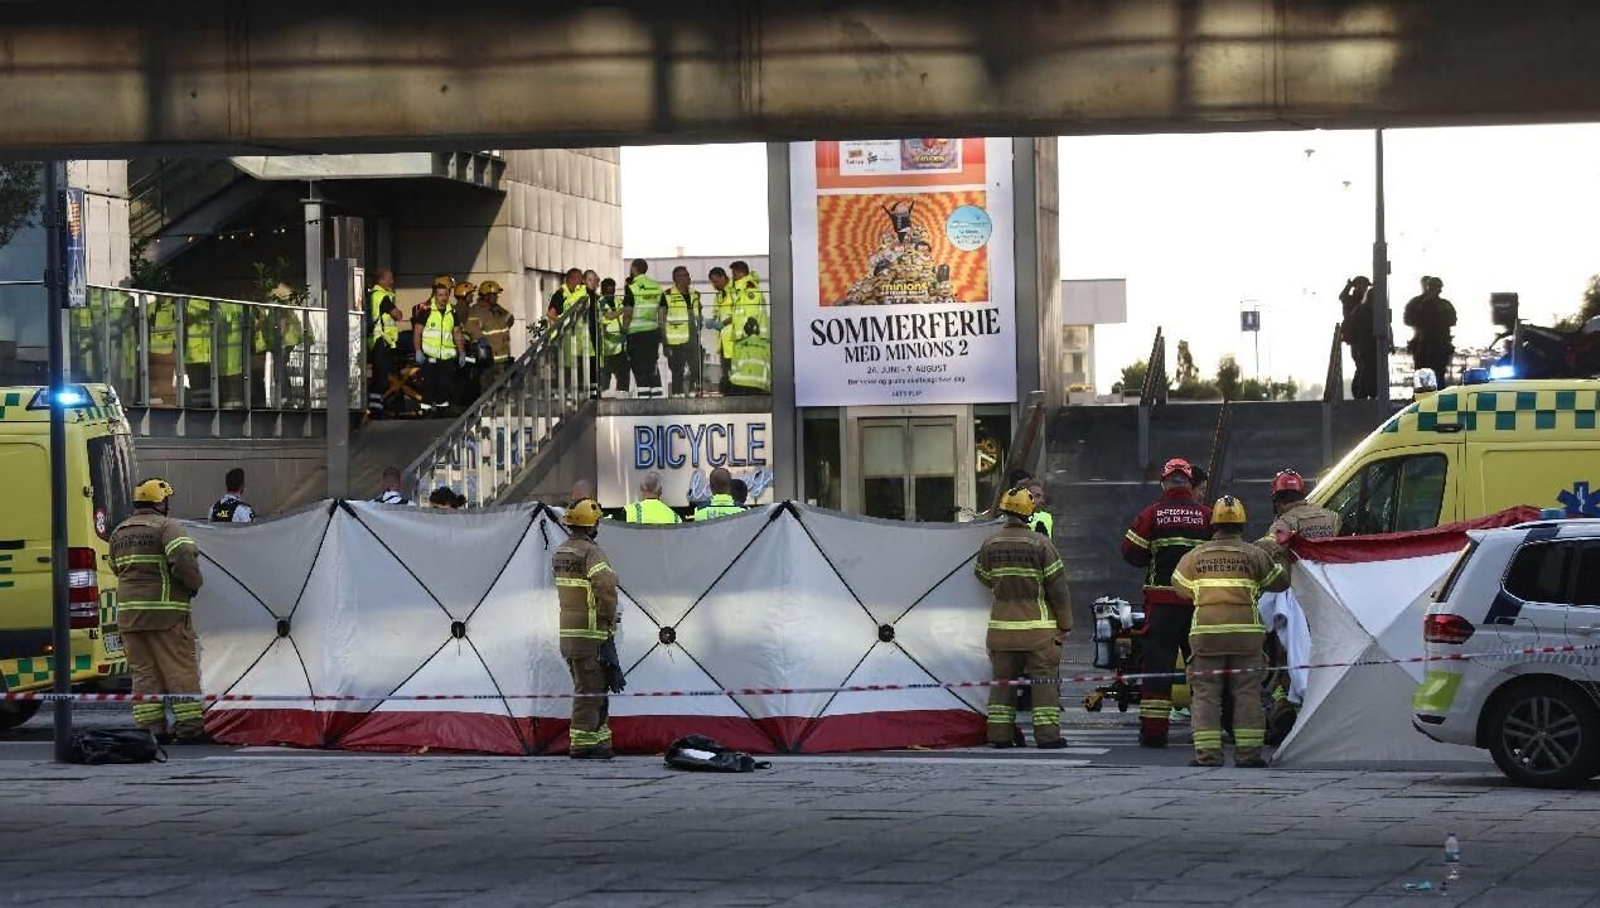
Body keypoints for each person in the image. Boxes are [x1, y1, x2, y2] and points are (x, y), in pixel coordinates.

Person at [1171, 495, 1289, 767]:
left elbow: (1180, 588)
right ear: (1242, 525)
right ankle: (1248, 755)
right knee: (1247, 692)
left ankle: (1208, 756)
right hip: (1246, 637)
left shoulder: (1193, 557)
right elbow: (1280, 583)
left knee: (1206, 695)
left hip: (1207, 635)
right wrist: (1278, 552)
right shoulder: (1255, 555)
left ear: (1213, 525)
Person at [1121, 457, 1212, 747]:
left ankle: (1154, 733)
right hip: (1197, 605)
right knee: (1202, 669)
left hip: (1160, 606)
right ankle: (1208, 730)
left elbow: (1131, 552)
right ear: (1190, 484)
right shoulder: (1206, 515)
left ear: (1164, 483)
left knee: (1158, 669)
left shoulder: (1152, 514)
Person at [110, 479, 208, 744]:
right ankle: (189, 729)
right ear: (161, 503)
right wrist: (193, 585)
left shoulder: (119, 531)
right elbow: (185, 556)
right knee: (178, 671)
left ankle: (151, 729)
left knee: (144, 675)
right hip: (167, 616)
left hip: (130, 617)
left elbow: (116, 567)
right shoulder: (167, 527)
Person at [975, 487, 1072, 749]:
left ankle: (999, 736)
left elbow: (982, 576)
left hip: (1001, 630)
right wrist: (1065, 623)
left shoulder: (990, 543)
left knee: (1002, 685)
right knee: (1044, 683)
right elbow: (1058, 588)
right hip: (1038, 631)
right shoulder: (1041, 544)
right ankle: (1048, 736)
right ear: (1029, 512)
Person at [1256, 469, 1339, 743]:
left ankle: (1286, 713)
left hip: (1297, 598)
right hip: (1328, 598)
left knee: (1288, 657)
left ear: (1278, 500)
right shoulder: (1331, 517)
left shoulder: (1283, 522)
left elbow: (1266, 551)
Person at [553, 498, 620, 759]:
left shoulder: (562, 552)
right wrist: (609, 617)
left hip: (569, 634)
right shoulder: (591, 552)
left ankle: (600, 741)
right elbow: (605, 587)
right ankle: (582, 744)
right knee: (589, 689)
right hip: (590, 633)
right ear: (593, 524)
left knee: (593, 686)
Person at [413, 275, 464, 416]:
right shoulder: (426, 311)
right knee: (428, 386)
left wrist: (462, 352)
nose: (444, 298)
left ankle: (442, 410)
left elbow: (457, 333)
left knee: (445, 386)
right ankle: (426, 411)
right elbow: (417, 333)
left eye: (446, 295)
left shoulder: (452, 313)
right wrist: (418, 351)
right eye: (440, 295)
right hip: (429, 356)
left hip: (446, 357)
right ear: (435, 296)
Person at [1404, 275, 1458, 388]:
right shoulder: (1417, 303)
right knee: (1423, 374)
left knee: (1438, 375)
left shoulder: (1443, 304)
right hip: (1423, 343)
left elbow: (1453, 320)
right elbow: (1408, 320)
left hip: (1439, 344)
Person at [727, 261, 771, 395]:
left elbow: (750, 312)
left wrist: (749, 330)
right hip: (746, 335)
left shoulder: (749, 288)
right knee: (748, 365)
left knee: (751, 365)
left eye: (734, 273)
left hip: (751, 336)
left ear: (741, 273)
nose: (732, 276)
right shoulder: (741, 288)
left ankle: (752, 390)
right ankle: (750, 389)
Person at [622, 258, 665, 394]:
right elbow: (662, 314)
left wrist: (624, 330)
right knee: (652, 364)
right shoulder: (657, 286)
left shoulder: (632, 287)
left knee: (638, 365)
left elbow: (628, 313)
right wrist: (662, 334)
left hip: (636, 333)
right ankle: (657, 394)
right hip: (652, 332)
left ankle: (644, 395)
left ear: (634, 269)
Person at [367, 269, 402, 418]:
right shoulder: (382, 296)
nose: (392, 282)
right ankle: (376, 410)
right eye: (390, 278)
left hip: (375, 341)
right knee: (381, 378)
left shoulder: (373, 295)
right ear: (381, 280)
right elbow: (398, 315)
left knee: (378, 377)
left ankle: (376, 407)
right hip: (382, 340)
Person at [466, 279, 515, 382]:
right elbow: (472, 331)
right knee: (488, 392)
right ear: (486, 296)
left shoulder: (497, 310)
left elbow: (510, 319)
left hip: (503, 361)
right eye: (494, 295)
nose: (497, 297)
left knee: (503, 393)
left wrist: (498, 308)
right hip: (489, 363)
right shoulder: (476, 311)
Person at [663, 266, 701, 396]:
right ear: (676, 278)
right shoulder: (667, 295)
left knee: (696, 366)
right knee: (677, 370)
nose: (688, 277)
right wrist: (664, 342)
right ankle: (677, 394)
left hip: (692, 336)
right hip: (675, 339)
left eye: (687, 275)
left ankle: (692, 390)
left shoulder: (695, 294)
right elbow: (661, 319)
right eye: (684, 275)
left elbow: (698, 314)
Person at [1339, 276, 1377, 400]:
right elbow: (1342, 297)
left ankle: (1364, 392)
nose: (1364, 288)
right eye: (1362, 285)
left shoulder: (1369, 301)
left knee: (1365, 366)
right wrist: (1348, 286)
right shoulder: (1352, 300)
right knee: (1362, 366)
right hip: (1357, 340)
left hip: (1365, 340)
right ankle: (1361, 393)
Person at [595, 278, 630, 396]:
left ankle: (622, 392)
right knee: (605, 373)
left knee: (624, 370)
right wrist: (624, 309)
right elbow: (609, 316)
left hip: (620, 344)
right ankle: (603, 393)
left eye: (613, 290)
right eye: (608, 290)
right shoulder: (600, 302)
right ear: (603, 290)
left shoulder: (618, 300)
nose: (611, 293)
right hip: (606, 345)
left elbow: (627, 316)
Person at [708, 267, 736, 393]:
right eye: (712, 282)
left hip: (735, 338)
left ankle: (736, 390)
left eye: (716, 281)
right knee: (726, 369)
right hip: (724, 341)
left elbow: (738, 312)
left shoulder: (734, 290)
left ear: (723, 277)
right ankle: (729, 390)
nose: (714, 285)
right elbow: (716, 313)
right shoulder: (719, 295)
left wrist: (722, 323)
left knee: (735, 368)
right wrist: (712, 322)